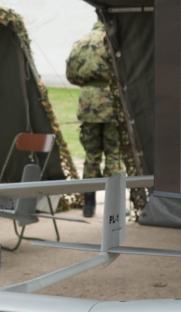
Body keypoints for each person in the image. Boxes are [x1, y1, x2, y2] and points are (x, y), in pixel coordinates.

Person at [66, 20, 123, 218]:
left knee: (91, 155)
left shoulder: (80, 42)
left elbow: (71, 74)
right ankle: (115, 207)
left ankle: (88, 205)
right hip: (111, 103)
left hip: (88, 104)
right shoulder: (112, 40)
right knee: (114, 154)